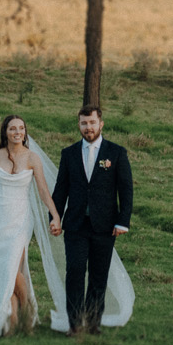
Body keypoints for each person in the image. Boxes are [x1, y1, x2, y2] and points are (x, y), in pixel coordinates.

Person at [51, 105, 133, 333]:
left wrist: (122, 221)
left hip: (105, 226)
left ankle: (93, 323)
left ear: (101, 124)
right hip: (76, 225)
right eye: (84, 123)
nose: (88, 127)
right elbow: (60, 190)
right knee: (75, 272)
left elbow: (125, 190)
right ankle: (75, 325)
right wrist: (54, 217)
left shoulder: (116, 153)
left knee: (99, 276)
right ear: (79, 125)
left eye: (92, 123)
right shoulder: (68, 154)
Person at [0, 114, 63, 336]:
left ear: (25, 132)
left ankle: (26, 309)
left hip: (21, 219)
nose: (17, 132)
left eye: (21, 128)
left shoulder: (32, 158)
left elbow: (44, 191)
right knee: (6, 270)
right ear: (5, 132)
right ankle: (12, 319)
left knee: (11, 267)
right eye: (12, 129)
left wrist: (55, 215)